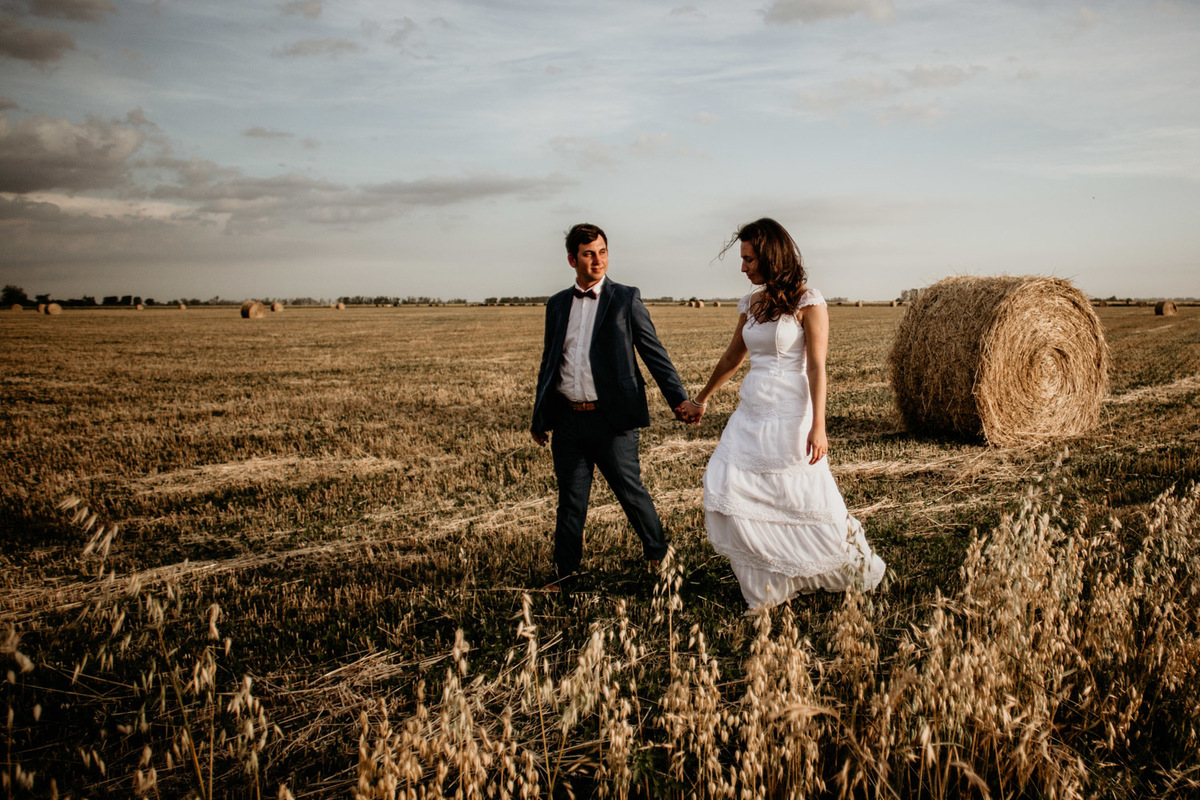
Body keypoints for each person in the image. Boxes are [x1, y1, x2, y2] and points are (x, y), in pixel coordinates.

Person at [679, 218, 885, 609]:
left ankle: (848, 568)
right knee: (727, 484)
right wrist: (701, 398)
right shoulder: (752, 303)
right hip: (751, 411)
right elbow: (732, 356)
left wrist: (819, 426)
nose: (743, 268)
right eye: (742, 259)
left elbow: (817, 367)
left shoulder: (810, 302)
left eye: (749, 259)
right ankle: (768, 584)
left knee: (801, 498)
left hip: (792, 414)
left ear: (771, 256)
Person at [531, 223, 691, 592]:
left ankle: (660, 561)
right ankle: (565, 577)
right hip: (569, 420)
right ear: (572, 259)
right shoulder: (556, 305)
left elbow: (654, 354)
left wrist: (678, 400)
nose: (597, 260)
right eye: (588, 253)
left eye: (602, 251)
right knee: (570, 503)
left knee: (631, 494)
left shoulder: (625, 298)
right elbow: (550, 361)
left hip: (613, 420)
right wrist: (540, 415)